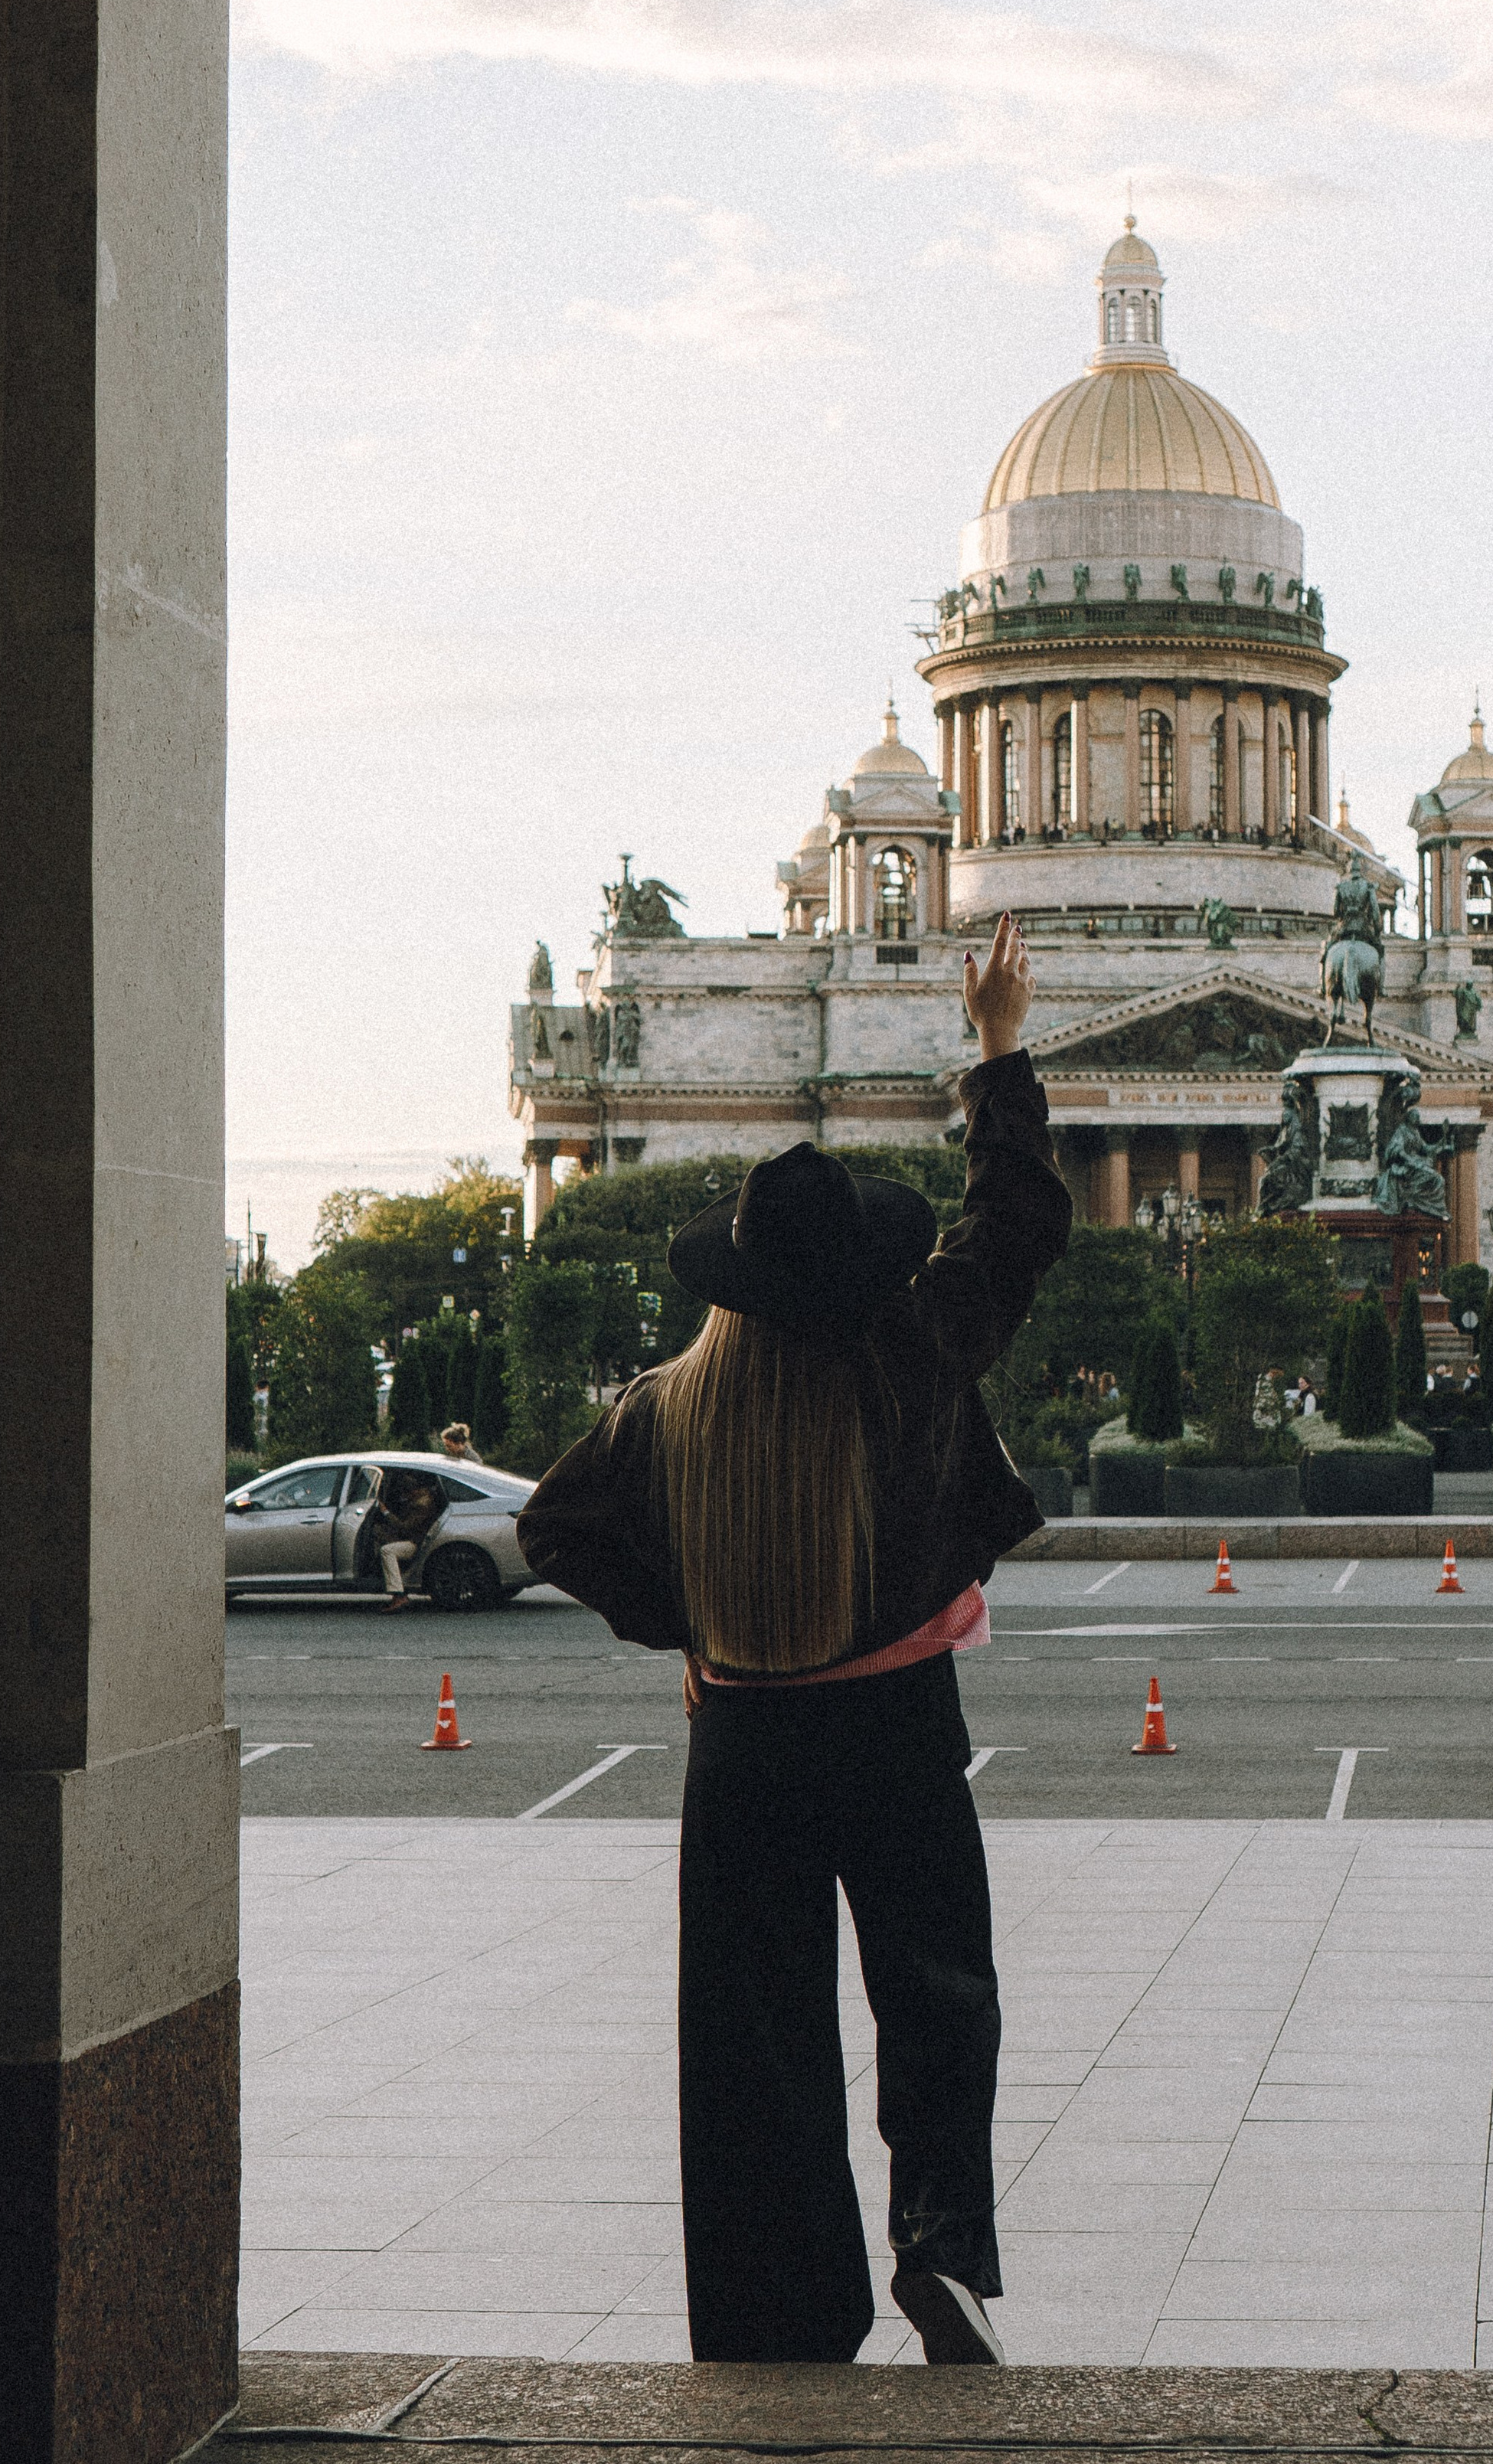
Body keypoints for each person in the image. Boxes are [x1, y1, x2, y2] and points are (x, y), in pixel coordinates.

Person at [517, 913, 1070, 2369]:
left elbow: (556, 1532)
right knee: (940, 1994)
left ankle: (782, 2311)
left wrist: (691, 1623)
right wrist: (998, 1054)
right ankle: (939, 2241)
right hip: (899, 1725)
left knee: (755, 2040)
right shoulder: (913, 1347)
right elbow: (1014, 1228)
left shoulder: (667, 1406)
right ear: (870, 1271)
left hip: (745, 1731)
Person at [367, 1462, 447, 1613]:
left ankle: (398, 1594)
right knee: (376, 1531)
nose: (404, 1496)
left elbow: (405, 1527)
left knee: (387, 1551)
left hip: (414, 1542)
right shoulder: (419, 1501)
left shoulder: (422, 1506)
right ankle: (380, 1571)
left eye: (406, 1493)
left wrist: (386, 1512)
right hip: (410, 1537)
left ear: (414, 1491)